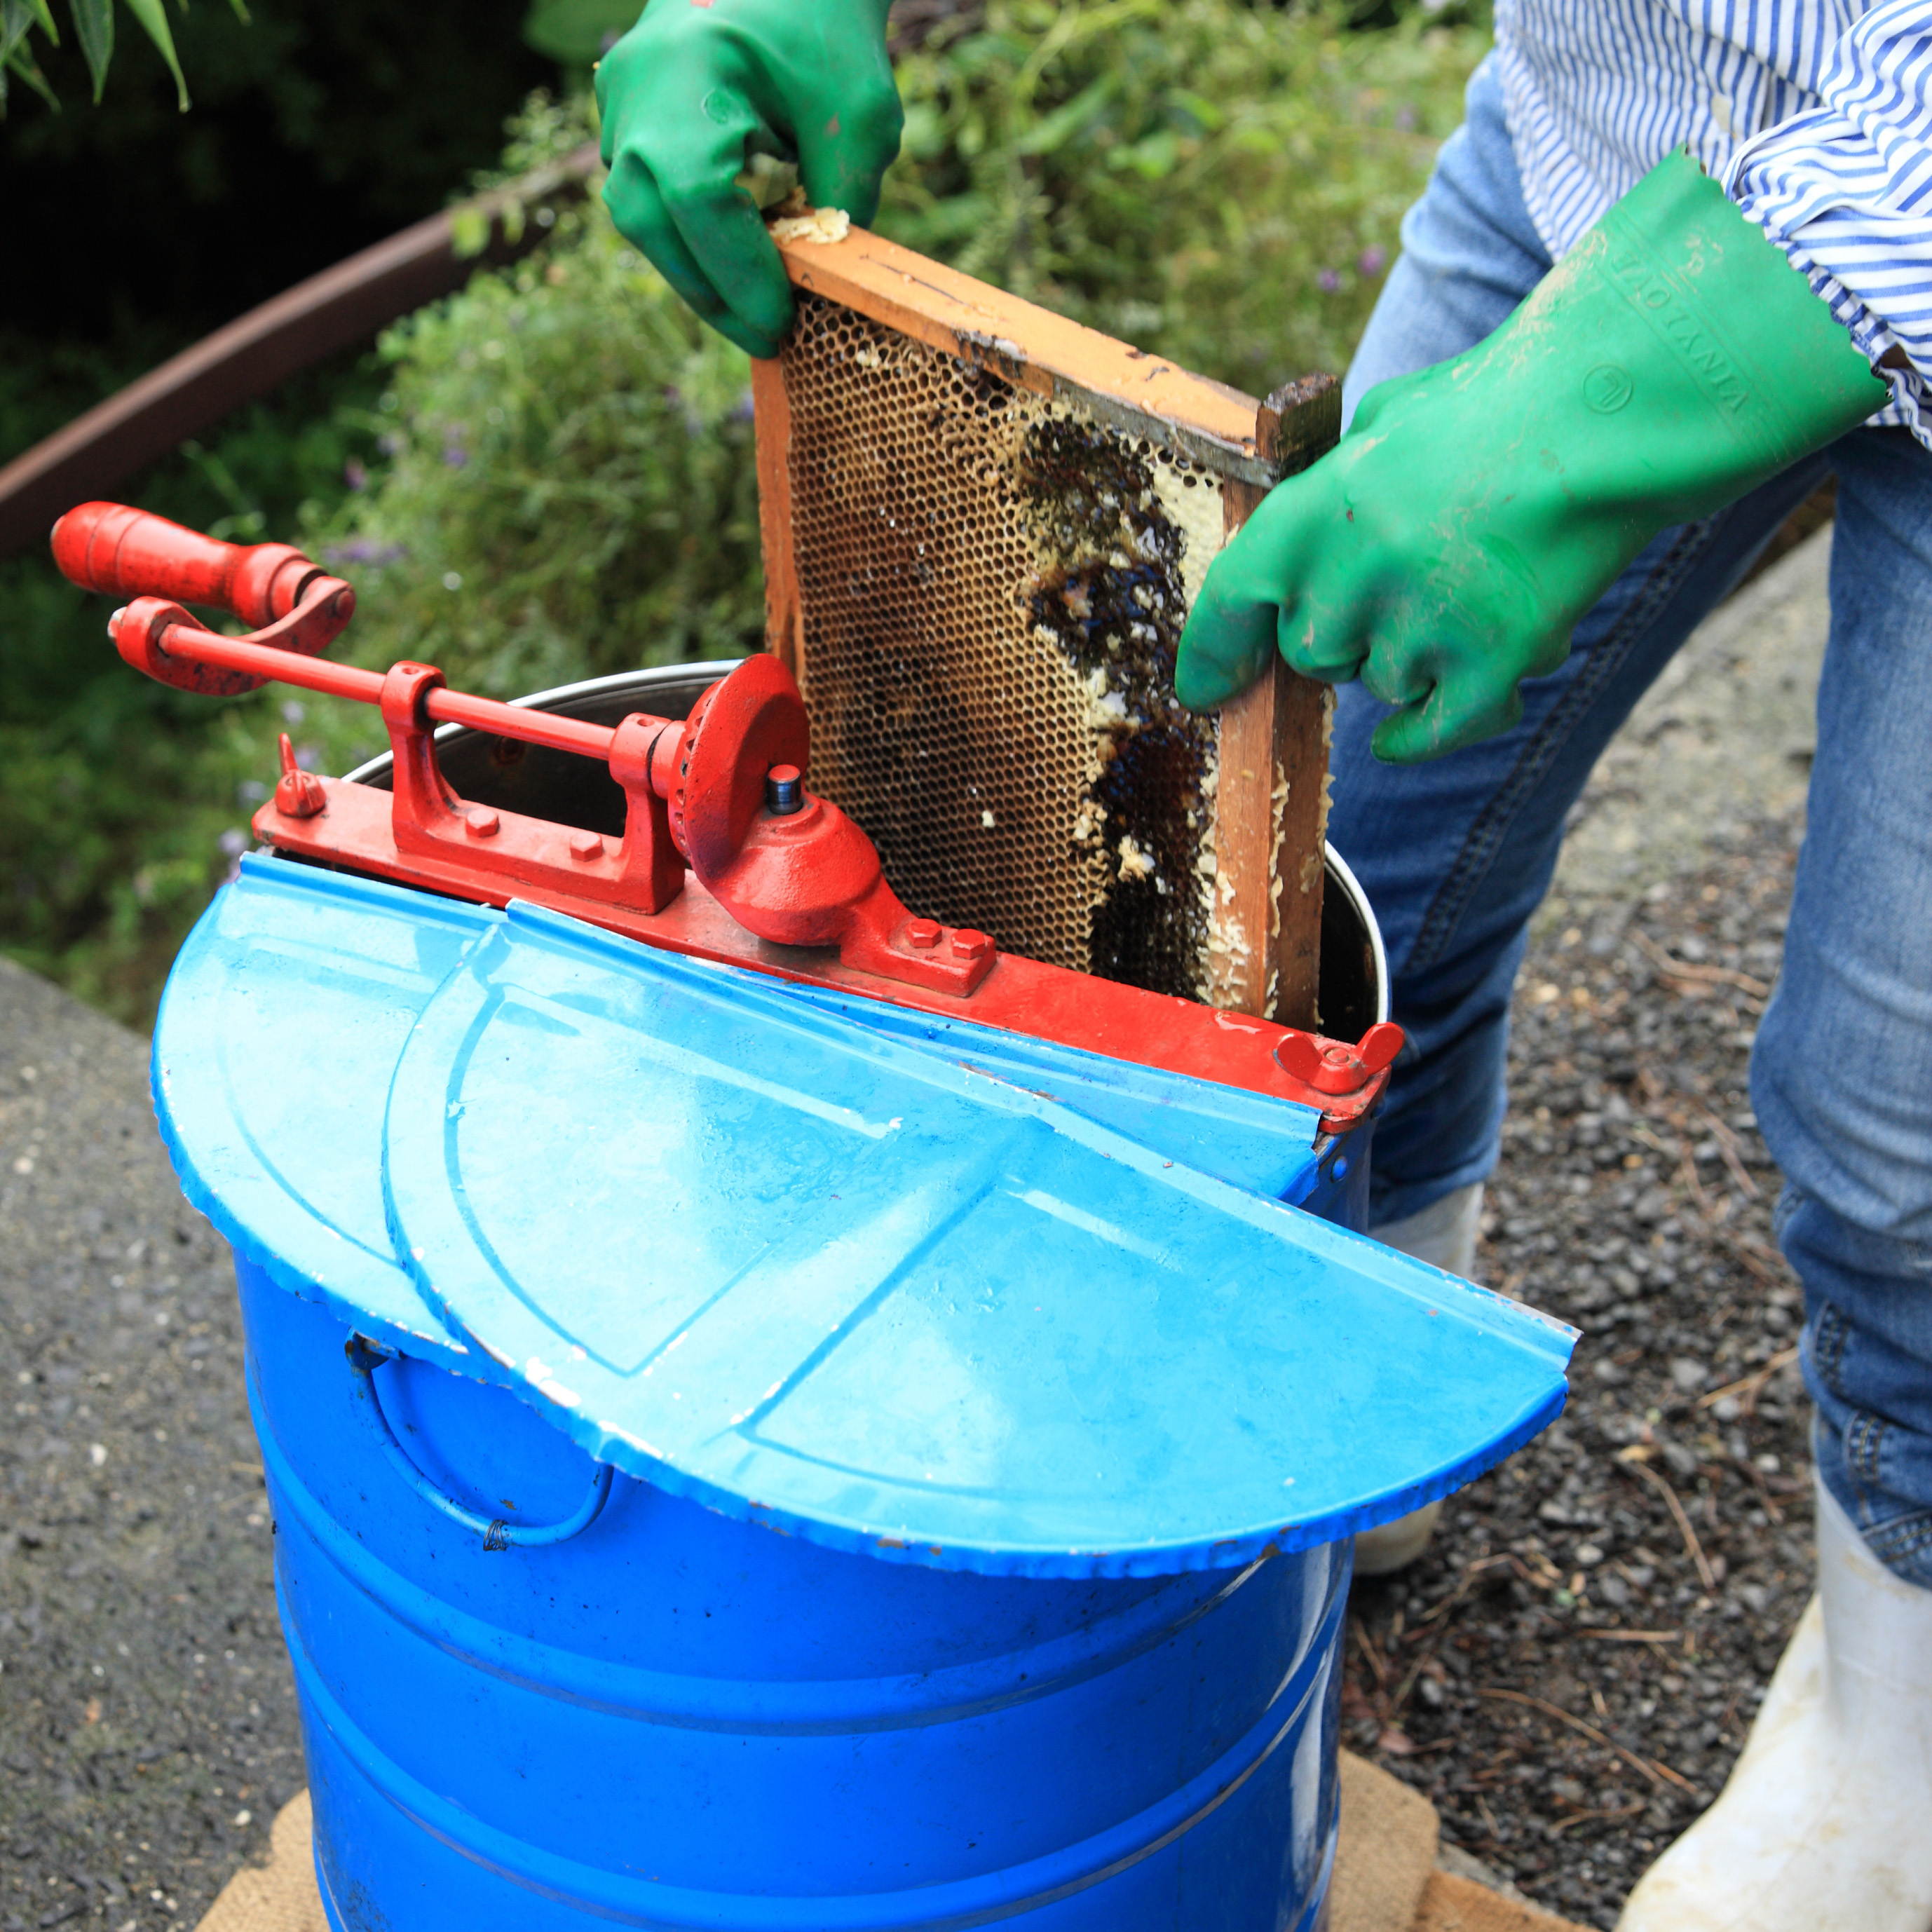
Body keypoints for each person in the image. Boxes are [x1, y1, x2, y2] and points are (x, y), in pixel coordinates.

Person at [593, 5, 1932, 1927]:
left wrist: (1602, 387)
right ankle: (1362, 1367)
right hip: (1623, 113)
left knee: (1893, 1118)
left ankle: (1894, 1727)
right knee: (1322, 856)